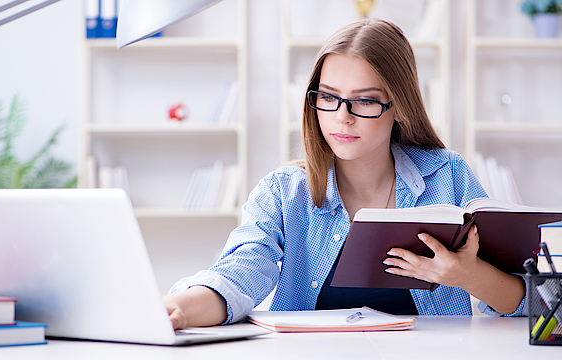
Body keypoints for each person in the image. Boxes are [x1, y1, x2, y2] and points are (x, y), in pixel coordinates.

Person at [163, 19, 527, 329]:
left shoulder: (448, 177)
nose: (342, 116)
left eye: (365, 100)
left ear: (399, 106)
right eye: (328, 97)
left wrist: (467, 275)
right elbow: (239, 273)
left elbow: (532, 301)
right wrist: (178, 308)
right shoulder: (283, 193)